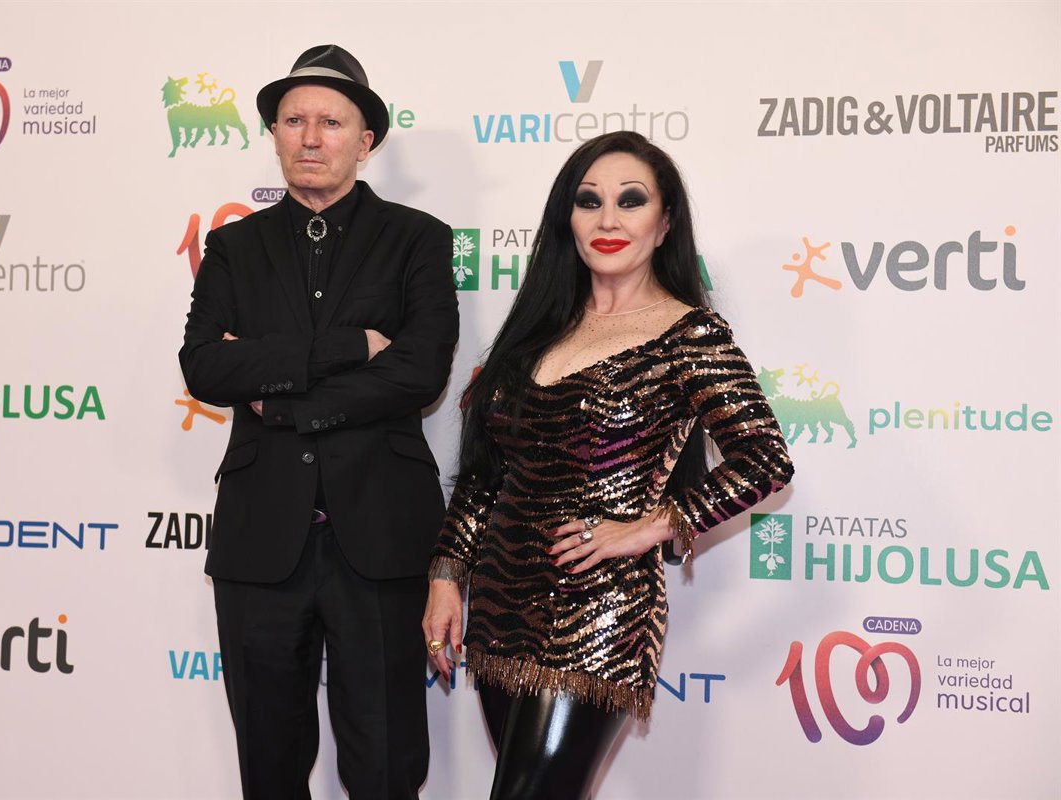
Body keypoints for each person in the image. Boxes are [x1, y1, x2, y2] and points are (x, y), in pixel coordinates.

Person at [422, 130, 794, 799]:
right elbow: (483, 476)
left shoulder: (690, 335)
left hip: (600, 611)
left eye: (631, 200)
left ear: (665, 222)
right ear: (567, 218)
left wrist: (649, 527)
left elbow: (766, 460)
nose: (608, 220)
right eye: (589, 201)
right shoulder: (537, 328)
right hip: (500, 608)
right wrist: (448, 576)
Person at [179, 44, 458, 800]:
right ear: (274, 134)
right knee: (269, 767)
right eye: (294, 120)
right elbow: (205, 367)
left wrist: (281, 399)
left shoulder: (418, 238)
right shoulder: (233, 246)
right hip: (260, 540)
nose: (310, 137)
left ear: (365, 141)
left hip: (382, 538)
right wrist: (348, 348)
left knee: (387, 765)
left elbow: (419, 372)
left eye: (330, 122)